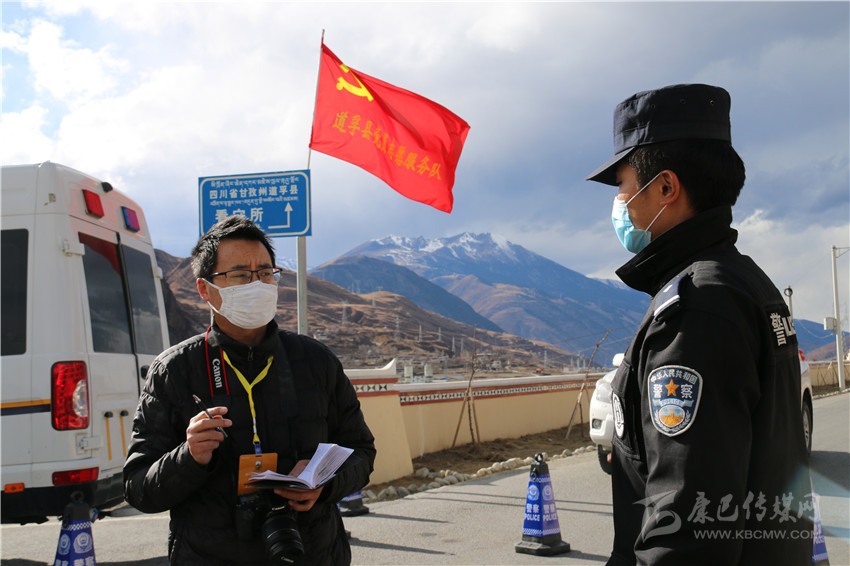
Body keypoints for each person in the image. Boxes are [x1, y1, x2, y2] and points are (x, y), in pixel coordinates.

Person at [586, 84, 813, 565]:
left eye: (624, 185)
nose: (620, 202)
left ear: (666, 188)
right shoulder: (742, 279)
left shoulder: (696, 309)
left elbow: (687, 527)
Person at [124, 215, 376, 565]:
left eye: (266, 273)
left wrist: (325, 484)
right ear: (205, 289)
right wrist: (189, 456)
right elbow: (138, 488)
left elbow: (362, 452)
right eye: (241, 275)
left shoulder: (315, 361)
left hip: (312, 553)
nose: (257, 284)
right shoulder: (175, 370)